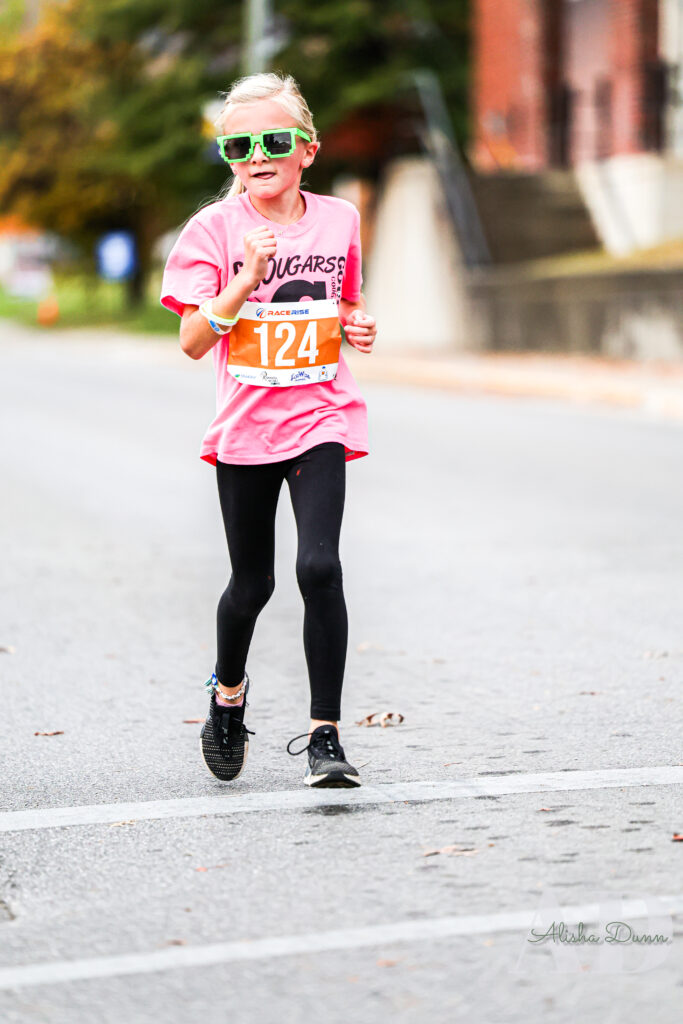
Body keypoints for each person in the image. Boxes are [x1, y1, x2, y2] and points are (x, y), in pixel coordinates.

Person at [160, 72, 377, 789]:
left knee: (319, 567)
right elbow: (194, 340)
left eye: (274, 140)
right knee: (250, 584)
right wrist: (246, 276)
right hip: (246, 426)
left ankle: (324, 737)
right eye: (239, 145)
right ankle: (227, 697)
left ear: (306, 151)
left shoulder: (339, 218)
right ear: (228, 158)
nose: (258, 154)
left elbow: (342, 301)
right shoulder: (212, 232)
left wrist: (356, 323)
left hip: (320, 413)